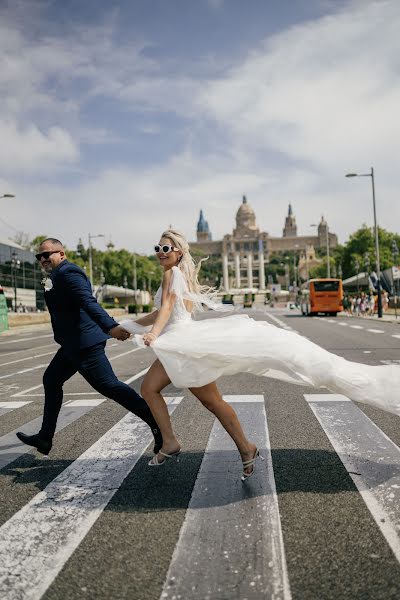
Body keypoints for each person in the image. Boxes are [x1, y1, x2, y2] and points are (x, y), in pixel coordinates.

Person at [122, 230, 400, 479]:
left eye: (166, 249)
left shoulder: (173, 274)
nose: (160, 254)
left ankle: (186, 443)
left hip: (183, 343)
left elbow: (168, 308)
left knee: (189, 397)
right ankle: (239, 448)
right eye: (157, 249)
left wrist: (152, 334)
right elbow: (161, 312)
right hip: (182, 342)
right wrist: (126, 326)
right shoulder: (173, 276)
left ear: (179, 252)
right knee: (193, 398)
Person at [16, 238, 162, 456]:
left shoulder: (69, 273)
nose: (43, 259)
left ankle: (158, 423)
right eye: (39, 256)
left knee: (110, 387)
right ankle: (45, 438)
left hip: (84, 345)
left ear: (62, 254)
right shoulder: (54, 276)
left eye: (47, 254)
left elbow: (88, 302)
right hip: (71, 344)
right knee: (51, 380)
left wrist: (111, 327)